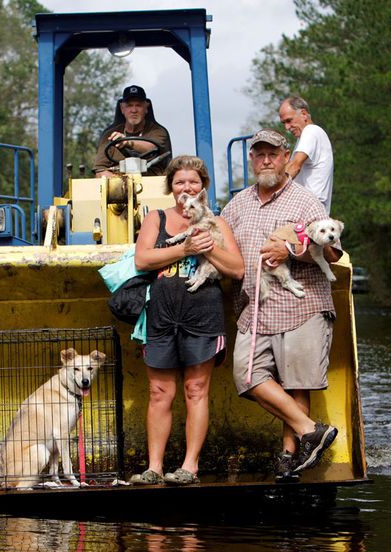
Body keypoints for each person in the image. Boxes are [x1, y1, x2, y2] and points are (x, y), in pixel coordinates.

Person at [220, 128, 342, 483]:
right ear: (251, 160)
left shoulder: (305, 201)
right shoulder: (237, 204)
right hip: (255, 307)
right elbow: (220, 243)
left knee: (296, 382)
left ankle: (289, 459)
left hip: (300, 305)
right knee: (248, 375)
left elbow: (331, 251)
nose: (266, 160)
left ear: (286, 157)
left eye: (273, 153)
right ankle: (310, 430)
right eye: (259, 154)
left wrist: (289, 250)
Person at [128, 155, 244, 485]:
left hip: (202, 314)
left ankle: (189, 467)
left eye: (193, 182)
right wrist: (184, 249)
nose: (186, 188)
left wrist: (207, 248)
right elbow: (142, 259)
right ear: (170, 187)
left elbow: (236, 269)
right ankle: (154, 467)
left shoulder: (217, 223)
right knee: (159, 392)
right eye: (179, 182)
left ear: (203, 187)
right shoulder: (156, 218)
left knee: (196, 389)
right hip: (162, 316)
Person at [93, 85, 173, 178]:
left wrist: (128, 142)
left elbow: (153, 147)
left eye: (138, 105)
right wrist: (121, 183)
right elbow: (99, 170)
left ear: (146, 107)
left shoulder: (158, 131)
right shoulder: (109, 135)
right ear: (122, 108)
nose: (134, 110)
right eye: (129, 105)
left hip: (154, 186)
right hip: (117, 189)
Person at [279, 96, 334, 213]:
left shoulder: (311, 131)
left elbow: (294, 166)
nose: (286, 127)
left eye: (289, 121)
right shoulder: (309, 135)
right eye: (284, 123)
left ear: (304, 114)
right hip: (310, 210)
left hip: (309, 212)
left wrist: (269, 191)